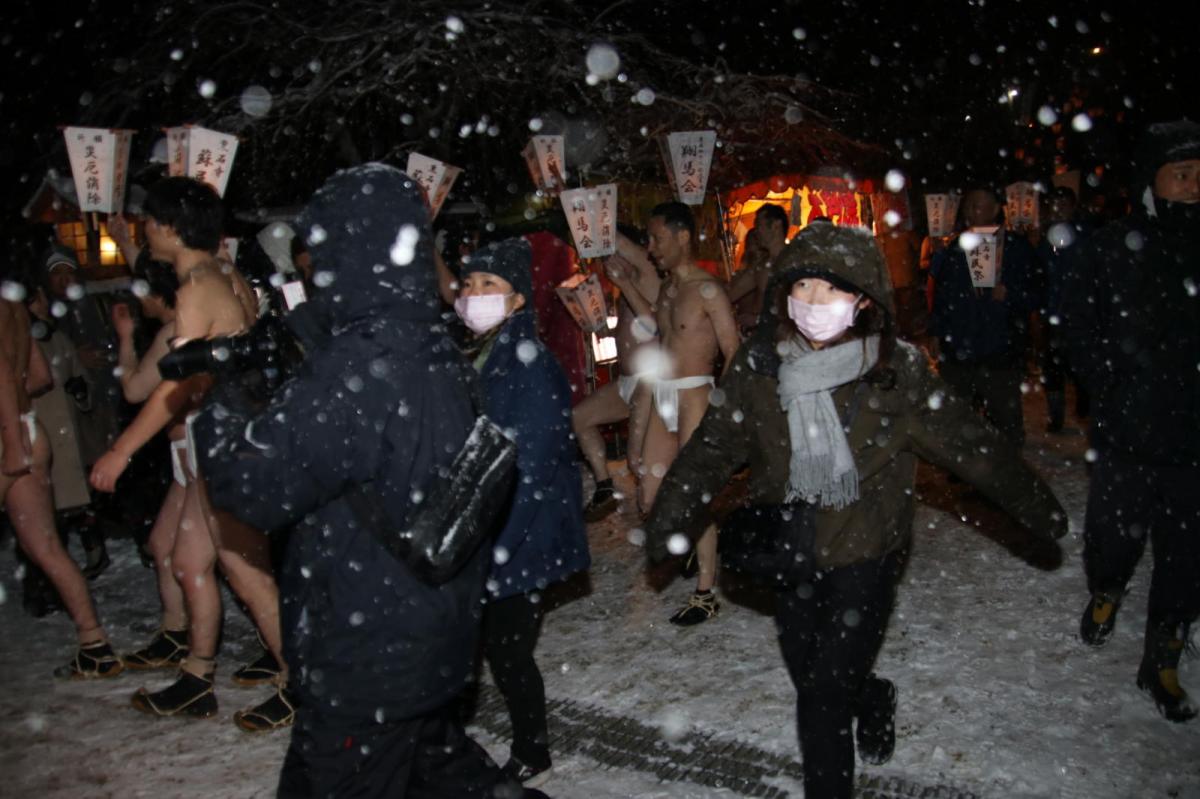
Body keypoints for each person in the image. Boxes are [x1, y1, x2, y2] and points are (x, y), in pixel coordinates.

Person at [641, 223, 1068, 798]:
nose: (813, 301)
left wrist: (1037, 507)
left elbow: (971, 446)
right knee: (814, 678)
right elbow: (713, 448)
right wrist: (668, 518)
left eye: (832, 288)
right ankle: (872, 694)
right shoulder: (760, 367)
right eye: (802, 286)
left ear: (864, 299)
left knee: (820, 700)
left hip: (867, 552)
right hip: (790, 549)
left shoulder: (897, 372)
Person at [193, 164, 544, 798]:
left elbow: (252, 488)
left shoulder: (355, 367)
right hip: (429, 632)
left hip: (367, 652)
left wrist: (223, 401)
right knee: (446, 773)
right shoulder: (432, 345)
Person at [89, 177, 286, 728]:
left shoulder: (199, 286)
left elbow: (179, 384)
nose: (145, 231)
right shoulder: (222, 272)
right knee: (189, 561)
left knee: (245, 571)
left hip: (227, 439)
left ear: (171, 229)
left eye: (150, 223)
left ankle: (300, 684)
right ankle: (198, 678)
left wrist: (122, 451)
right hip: (225, 436)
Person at [1062, 120, 1200, 723]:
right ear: (1151, 181)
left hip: (1193, 437)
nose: (1193, 185)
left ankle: (1162, 659)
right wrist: (1108, 379)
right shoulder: (1114, 246)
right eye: (1182, 173)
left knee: (1187, 555)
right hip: (1129, 429)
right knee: (1114, 536)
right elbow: (1077, 323)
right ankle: (1107, 589)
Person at [454, 237, 591, 787]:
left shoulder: (530, 365)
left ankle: (533, 750)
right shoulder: (476, 355)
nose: (475, 294)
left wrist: (498, 545)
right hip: (483, 526)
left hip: (518, 531)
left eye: (490, 284)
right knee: (479, 645)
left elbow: (531, 467)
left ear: (517, 300)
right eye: (468, 283)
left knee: (508, 652)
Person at [1, 292, 122, 679]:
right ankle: (94, 643)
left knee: (45, 547)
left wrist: (12, 442)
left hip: (9, 439)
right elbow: (40, 376)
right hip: (29, 429)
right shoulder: (13, 307)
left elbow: (2, 376)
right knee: (46, 547)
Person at [634, 201, 740, 625]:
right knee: (650, 494)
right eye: (649, 239)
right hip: (664, 394)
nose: (651, 247)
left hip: (696, 394)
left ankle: (706, 592)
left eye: (657, 238)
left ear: (683, 237)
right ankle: (696, 546)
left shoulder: (707, 289)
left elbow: (733, 351)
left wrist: (722, 408)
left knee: (695, 496)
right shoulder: (668, 290)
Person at [929, 186, 1040, 448]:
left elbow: (1037, 292)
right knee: (958, 417)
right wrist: (937, 332)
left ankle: (1006, 463)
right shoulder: (957, 247)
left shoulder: (1015, 247)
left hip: (1000, 348)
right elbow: (943, 295)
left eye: (978, 205)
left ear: (995, 209)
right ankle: (965, 461)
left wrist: (1011, 294)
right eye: (969, 205)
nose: (971, 210)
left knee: (1005, 419)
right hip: (960, 346)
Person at [571, 232, 661, 522]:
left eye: (612, 255)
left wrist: (599, 224)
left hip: (651, 383)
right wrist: (605, 332)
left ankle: (662, 516)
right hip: (626, 382)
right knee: (579, 418)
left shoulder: (648, 274)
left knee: (642, 460)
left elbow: (653, 324)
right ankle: (604, 486)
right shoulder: (624, 284)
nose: (607, 262)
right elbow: (632, 330)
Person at [1034, 186, 1090, 433]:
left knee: (1079, 363)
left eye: (1064, 205)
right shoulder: (1044, 238)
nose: (1058, 211)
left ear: (1073, 207)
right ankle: (1056, 415)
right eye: (1055, 206)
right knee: (1052, 366)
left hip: (1079, 313)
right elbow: (1039, 273)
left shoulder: (1084, 235)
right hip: (1052, 313)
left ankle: (1084, 400)